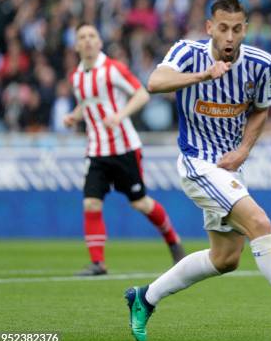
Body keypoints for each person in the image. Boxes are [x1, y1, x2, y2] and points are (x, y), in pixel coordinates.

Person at [123, 0, 271, 341]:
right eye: (222, 28)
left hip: (229, 167)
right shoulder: (187, 52)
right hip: (197, 161)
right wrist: (203, 75)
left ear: (245, 29)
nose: (229, 36)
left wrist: (243, 149)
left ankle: (144, 297)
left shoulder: (260, 63)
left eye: (236, 29)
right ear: (210, 27)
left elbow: (261, 108)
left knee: (225, 258)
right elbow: (155, 82)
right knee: (260, 223)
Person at [64, 23, 185, 276]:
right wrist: (75, 116)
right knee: (91, 204)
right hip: (96, 150)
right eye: (82, 37)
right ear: (76, 45)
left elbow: (141, 94)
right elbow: (87, 103)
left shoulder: (112, 69)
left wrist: (120, 115)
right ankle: (98, 263)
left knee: (140, 203)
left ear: (99, 42)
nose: (87, 41)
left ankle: (173, 240)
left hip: (124, 148)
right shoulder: (77, 76)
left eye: (91, 36)